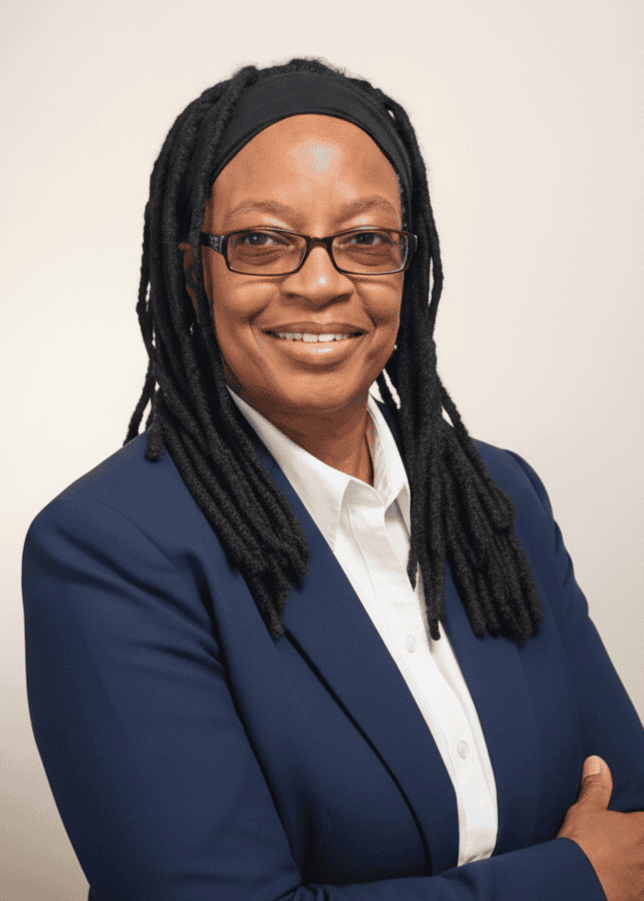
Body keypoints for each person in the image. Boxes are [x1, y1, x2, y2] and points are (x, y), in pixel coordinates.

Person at [22, 57, 644, 901]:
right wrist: (572, 880)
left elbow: (631, 815)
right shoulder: (108, 550)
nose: (320, 282)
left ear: (407, 263)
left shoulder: (500, 499)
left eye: (364, 239)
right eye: (262, 241)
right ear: (192, 267)